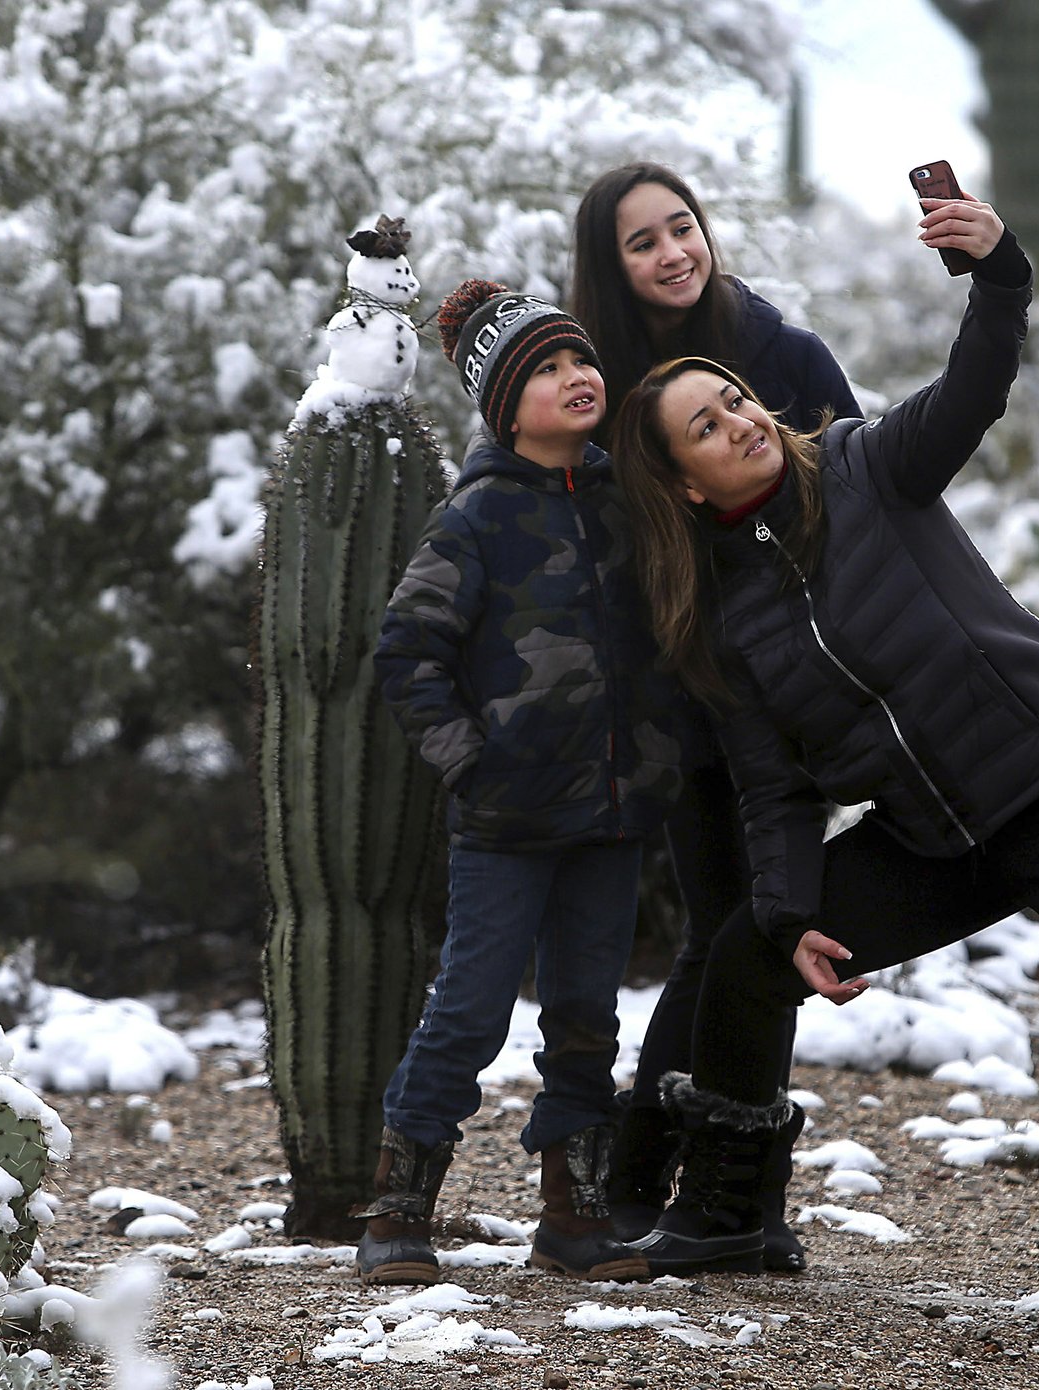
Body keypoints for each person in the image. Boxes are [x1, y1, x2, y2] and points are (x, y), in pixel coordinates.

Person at [606, 194, 1039, 1333]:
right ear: (683, 483)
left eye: (731, 399)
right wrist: (790, 919)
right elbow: (773, 787)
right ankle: (734, 1210)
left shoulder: (866, 466)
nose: (736, 421)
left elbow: (971, 387)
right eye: (704, 425)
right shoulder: (722, 625)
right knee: (744, 955)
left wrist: (998, 274)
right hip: (942, 839)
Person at [569, 161, 862, 1272]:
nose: (669, 253)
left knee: (760, 927)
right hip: (680, 703)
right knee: (730, 930)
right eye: (640, 242)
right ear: (613, 266)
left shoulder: (780, 353)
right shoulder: (597, 381)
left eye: (679, 228)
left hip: (792, 687)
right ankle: (666, 1179)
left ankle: (691, 1184)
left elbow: (863, 480)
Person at [363, 280, 685, 1287]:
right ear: (504, 406)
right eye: (543, 369)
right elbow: (405, 647)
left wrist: (663, 753)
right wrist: (469, 756)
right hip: (505, 822)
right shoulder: (477, 515)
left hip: (612, 814)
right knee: (467, 1009)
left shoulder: (627, 500)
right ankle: (399, 1205)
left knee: (586, 1012)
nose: (572, 377)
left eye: (576, 359)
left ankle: (573, 1214)